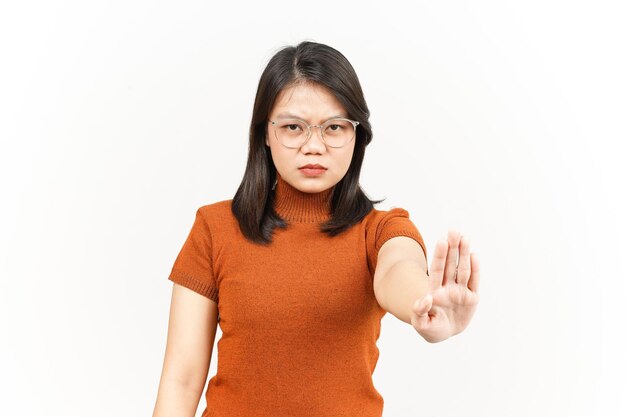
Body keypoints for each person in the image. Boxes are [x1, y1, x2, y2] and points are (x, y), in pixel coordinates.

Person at [152, 41, 480, 417]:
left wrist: (425, 303)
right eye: (294, 127)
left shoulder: (382, 231)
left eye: (334, 127)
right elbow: (182, 378)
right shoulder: (214, 228)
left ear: (356, 136)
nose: (314, 146)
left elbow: (398, 271)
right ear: (265, 132)